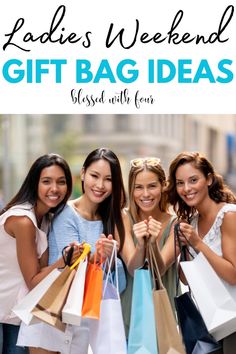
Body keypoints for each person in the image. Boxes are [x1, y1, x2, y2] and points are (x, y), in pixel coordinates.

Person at [17, 147, 127, 354]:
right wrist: (98, 258)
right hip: (51, 313)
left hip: (82, 319)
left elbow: (117, 286)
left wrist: (110, 259)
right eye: (94, 176)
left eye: (108, 179)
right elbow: (69, 269)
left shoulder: (111, 221)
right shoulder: (66, 214)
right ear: (83, 174)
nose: (100, 185)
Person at [0, 153, 78, 354]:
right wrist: (64, 261)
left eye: (61, 182)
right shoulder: (23, 221)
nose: (54, 188)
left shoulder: (46, 218)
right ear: (34, 183)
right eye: (46, 181)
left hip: (14, 316)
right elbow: (33, 281)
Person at [166, 151, 236, 353]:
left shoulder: (228, 216)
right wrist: (183, 247)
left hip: (232, 321)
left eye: (193, 180)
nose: (186, 188)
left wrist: (198, 243)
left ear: (209, 179)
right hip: (208, 320)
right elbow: (186, 279)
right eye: (180, 183)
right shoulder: (192, 223)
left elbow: (232, 275)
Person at [120, 157, 179, 337]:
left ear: (163, 186)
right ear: (131, 189)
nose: (145, 194)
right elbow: (134, 269)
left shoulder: (175, 224)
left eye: (152, 186)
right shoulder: (123, 219)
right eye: (138, 187)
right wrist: (141, 245)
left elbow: (159, 271)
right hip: (130, 314)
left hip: (163, 316)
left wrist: (152, 244)